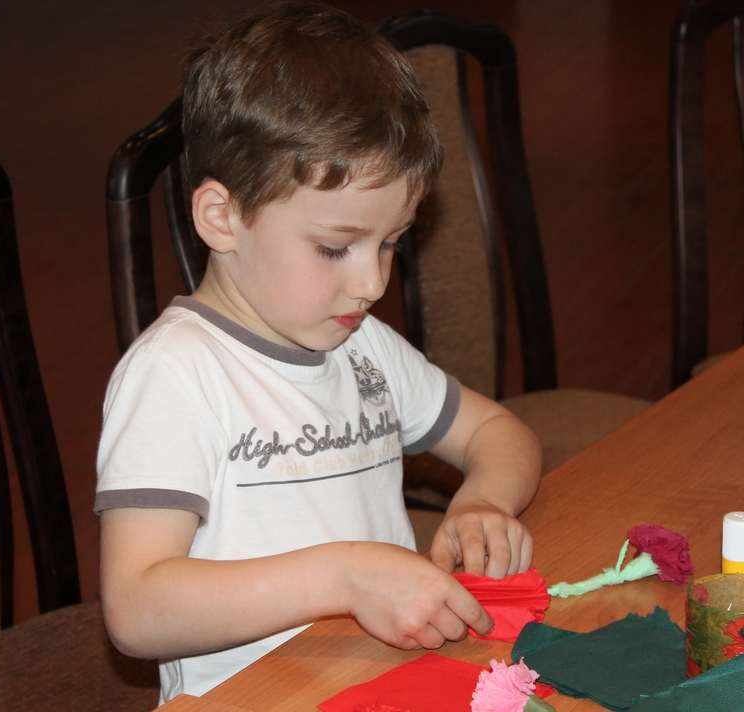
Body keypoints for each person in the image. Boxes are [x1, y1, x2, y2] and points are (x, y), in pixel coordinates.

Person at [96, 2, 542, 703]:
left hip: (377, 680)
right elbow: (137, 607)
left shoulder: (362, 347)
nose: (372, 283)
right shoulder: (175, 375)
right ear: (222, 218)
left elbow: (498, 431)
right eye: (336, 247)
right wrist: (343, 578)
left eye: (390, 244)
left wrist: (482, 501)